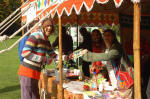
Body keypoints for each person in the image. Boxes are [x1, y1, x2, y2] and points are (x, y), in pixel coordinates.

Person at [18, 18, 56, 99]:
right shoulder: (35, 35)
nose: (49, 28)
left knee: (35, 96)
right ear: (42, 26)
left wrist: (68, 56)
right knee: (27, 96)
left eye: (51, 26)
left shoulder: (46, 40)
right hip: (27, 72)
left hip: (36, 72)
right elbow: (25, 53)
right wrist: (42, 59)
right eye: (47, 25)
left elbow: (53, 55)